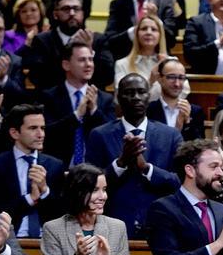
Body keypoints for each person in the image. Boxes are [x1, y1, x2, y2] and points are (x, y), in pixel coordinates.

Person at [84, 73, 181, 238]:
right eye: (129, 92)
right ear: (118, 97)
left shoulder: (170, 136)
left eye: (141, 92)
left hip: (160, 226)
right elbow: (88, 185)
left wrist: (147, 168)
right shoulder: (100, 135)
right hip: (111, 227)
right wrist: (120, 163)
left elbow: (180, 182)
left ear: (149, 97)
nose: (136, 97)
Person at [0, 103, 65, 238]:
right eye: (33, 128)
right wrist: (29, 199)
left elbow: (61, 215)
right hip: (9, 238)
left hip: (48, 240)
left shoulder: (55, 165)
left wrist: (44, 191)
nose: (40, 134)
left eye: (42, 128)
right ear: (14, 133)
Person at [40, 41, 117, 166]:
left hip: (95, 169)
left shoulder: (105, 99)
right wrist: (76, 116)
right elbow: (47, 134)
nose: (88, 64)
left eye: (91, 60)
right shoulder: (49, 97)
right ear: (66, 65)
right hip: (59, 166)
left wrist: (94, 111)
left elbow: (112, 136)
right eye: (82, 60)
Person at [21, 0, 116, 91]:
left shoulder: (98, 40)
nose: (72, 13)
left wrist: (89, 51)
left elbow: (107, 77)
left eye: (76, 9)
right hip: (53, 101)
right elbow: (36, 78)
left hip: (91, 99)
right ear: (55, 14)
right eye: (66, 9)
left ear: (83, 13)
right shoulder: (42, 40)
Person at [149, 57, 206, 141]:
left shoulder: (195, 111)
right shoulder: (149, 110)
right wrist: (177, 129)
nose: (177, 84)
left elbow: (199, 148)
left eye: (181, 78)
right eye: (171, 77)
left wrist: (187, 123)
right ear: (159, 78)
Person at [113, 15, 170, 98]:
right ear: (136, 34)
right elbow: (120, 96)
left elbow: (184, 91)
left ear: (160, 35)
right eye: (144, 29)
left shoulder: (172, 62)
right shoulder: (122, 64)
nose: (148, 32)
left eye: (154, 29)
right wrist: (150, 82)